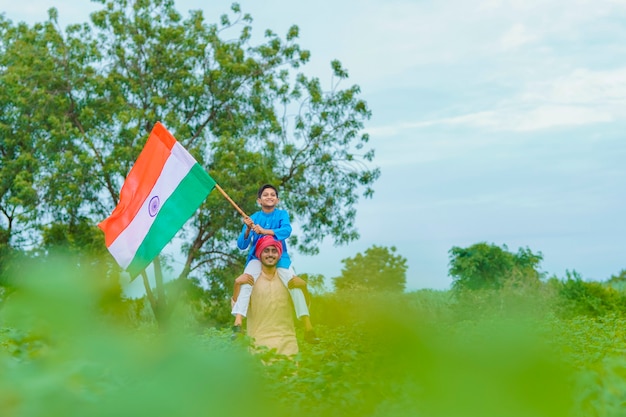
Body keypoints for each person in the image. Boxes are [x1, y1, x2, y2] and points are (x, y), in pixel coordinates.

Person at [230, 184, 319, 344]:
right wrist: (248, 229)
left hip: (280, 257)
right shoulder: (253, 217)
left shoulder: (282, 214)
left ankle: (308, 327)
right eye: (265, 195)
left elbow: (286, 231)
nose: (269, 197)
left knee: (294, 283)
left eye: (272, 195)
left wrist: (264, 231)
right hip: (256, 257)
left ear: (277, 200)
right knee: (247, 280)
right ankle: (238, 323)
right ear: (259, 200)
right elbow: (241, 245)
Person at [245, 235, 298, 356]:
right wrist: (237, 284)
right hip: (259, 347)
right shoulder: (250, 279)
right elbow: (238, 309)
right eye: (266, 251)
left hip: (288, 346)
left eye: (274, 251)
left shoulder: (288, 279)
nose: (270, 254)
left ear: (279, 254)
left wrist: (303, 287)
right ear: (259, 254)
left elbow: (301, 308)